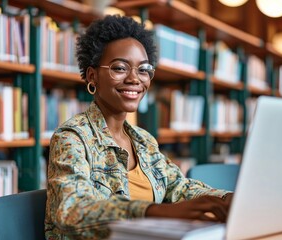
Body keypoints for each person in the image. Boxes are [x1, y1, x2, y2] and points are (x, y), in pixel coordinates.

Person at [45, 15, 233, 240]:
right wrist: (154, 212)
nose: (135, 79)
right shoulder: (72, 137)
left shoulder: (144, 140)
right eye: (120, 68)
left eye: (143, 69)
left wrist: (228, 199)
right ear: (92, 76)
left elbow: (179, 187)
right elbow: (72, 211)